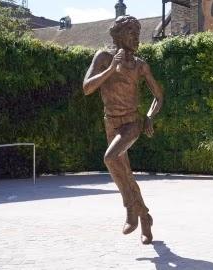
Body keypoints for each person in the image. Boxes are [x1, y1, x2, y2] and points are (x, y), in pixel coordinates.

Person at [83, 15, 163, 245]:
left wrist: (148, 116)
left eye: (138, 34)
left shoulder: (140, 65)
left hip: (131, 122)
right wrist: (110, 69)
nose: (137, 38)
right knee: (124, 172)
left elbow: (158, 96)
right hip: (111, 122)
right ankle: (145, 217)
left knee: (110, 158)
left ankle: (130, 210)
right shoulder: (103, 57)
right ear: (118, 35)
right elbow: (87, 88)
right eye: (131, 33)